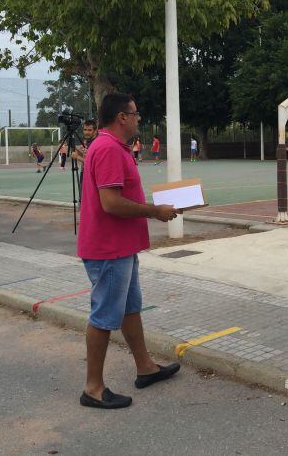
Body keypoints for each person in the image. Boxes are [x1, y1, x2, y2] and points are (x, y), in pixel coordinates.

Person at [77, 93, 182, 409]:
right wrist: (153, 211)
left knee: (129, 308)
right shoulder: (108, 147)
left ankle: (145, 367)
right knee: (104, 316)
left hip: (120, 247)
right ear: (122, 117)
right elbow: (110, 203)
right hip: (108, 249)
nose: (139, 118)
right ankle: (93, 388)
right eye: (135, 113)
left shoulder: (112, 146)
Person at [72, 120, 99, 203]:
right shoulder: (86, 141)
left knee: (89, 200)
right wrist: (76, 150)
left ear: (95, 131)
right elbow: (86, 156)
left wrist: (77, 157)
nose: (86, 132)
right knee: (83, 198)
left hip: (92, 175)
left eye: (89, 130)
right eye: (85, 130)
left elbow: (93, 162)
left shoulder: (96, 143)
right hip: (84, 172)